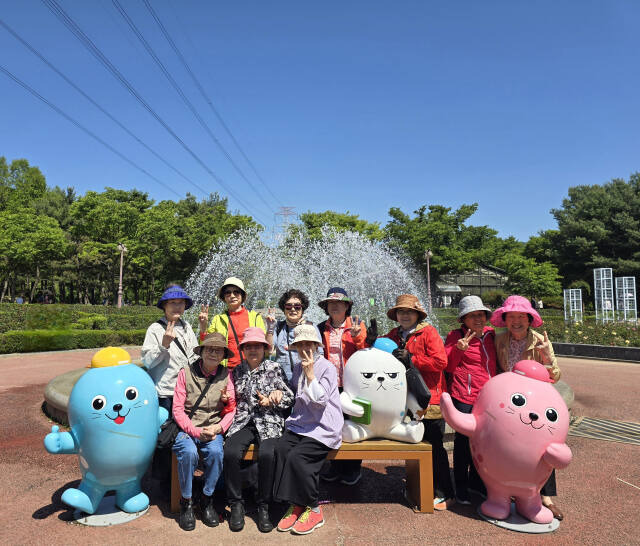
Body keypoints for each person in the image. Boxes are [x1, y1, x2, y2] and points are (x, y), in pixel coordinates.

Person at [491, 295, 563, 520]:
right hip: (510, 401)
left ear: (529, 319)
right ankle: (509, 489)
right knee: (509, 448)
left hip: (535, 400)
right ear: (505, 320)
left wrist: (545, 355)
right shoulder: (499, 339)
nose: (516, 321)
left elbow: (556, 375)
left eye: (521, 316)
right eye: (511, 317)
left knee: (543, 448)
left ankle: (545, 498)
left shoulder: (540, 340)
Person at [382, 294, 454, 510]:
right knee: (414, 445)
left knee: (433, 446)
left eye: (409, 312)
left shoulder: (428, 332)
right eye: (401, 312)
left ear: (417, 314)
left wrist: (412, 359)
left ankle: (444, 492)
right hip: (404, 399)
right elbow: (380, 351)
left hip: (428, 398)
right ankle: (418, 488)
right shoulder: (394, 334)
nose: (404, 315)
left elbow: (441, 361)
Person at [273, 324, 343, 535]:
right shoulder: (296, 368)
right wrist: (277, 392)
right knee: (281, 449)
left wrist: (311, 374)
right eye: (300, 344)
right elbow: (293, 393)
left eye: (308, 344)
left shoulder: (327, 367)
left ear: (316, 345)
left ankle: (313, 508)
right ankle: (296, 504)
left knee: (298, 457)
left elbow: (320, 401)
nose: (304, 348)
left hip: (323, 426)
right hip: (302, 423)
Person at [224, 327, 294, 533]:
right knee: (230, 451)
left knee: (267, 454)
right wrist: (225, 400)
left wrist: (277, 397)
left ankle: (264, 505)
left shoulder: (274, 367)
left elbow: (290, 397)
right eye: (249, 346)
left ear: (264, 348)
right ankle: (236, 503)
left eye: (257, 346)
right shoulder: (236, 370)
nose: (253, 350)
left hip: (269, 420)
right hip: (244, 421)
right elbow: (232, 399)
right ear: (243, 349)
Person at [172, 333, 236, 531]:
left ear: (223, 355)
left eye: (218, 350)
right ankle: (187, 501)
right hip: (188, 427)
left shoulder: (226, 374)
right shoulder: (186, 372)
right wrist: (195, 431)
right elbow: (177, 409)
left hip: (212, 427)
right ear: (202, 352)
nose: (213, 353)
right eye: (210, 349)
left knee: (217, 453)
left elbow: (232, 408)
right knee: (189, 453)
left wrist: (219, 427)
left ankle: (207, 499)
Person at [444, 295, 496, 504]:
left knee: (484, 442)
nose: (478, 319)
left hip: (488, 397)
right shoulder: (455, 336)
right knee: (463, 441)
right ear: (463, 319)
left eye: (481, 315)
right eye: (472, 315)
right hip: (464, 395)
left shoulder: (492, 336)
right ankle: (461, 485)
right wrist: (458, 349)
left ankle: (478, 482)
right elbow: (446, 365)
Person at [316, 287, 366, 485]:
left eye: (339, 303)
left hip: (353, 385)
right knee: (333, 425)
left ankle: (353, 469)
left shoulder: (357, 325)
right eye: (331, 303)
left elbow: (366, 352)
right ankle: (336, 466)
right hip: (332, 385)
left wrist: (357, 337)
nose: (335, 306)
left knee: (353, 426)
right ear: (327, 307)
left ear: (347, 306)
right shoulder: (321, 328)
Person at [141, 284, 200, 413]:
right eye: (173, 302)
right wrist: (164, 345)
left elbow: (194, 355)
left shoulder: (187, 327)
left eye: (181, 303)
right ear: (164, 305)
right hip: (166, 392)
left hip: (186, 390)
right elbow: (147, 362)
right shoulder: (155, 329)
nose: (177, 306)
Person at [198, 277, 273, 369]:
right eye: (228, 293)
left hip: (252, 369)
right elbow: (207, 346)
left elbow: (266, 346)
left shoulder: (255, 317)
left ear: (242, 295)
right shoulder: (218, 319)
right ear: (224, 297)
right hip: (227, 371)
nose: (232, 295)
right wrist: (203, 326)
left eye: (236, 292)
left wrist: (271, 328)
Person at [266, 289, 321, 384]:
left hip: (305, 379)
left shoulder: (311, 327)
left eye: (297, 306)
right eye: (288, 306)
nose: (292, 309)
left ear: (302, 309)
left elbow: (320, 354)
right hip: (282, 381)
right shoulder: (278, 326)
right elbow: (268, 351)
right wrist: (270, 328)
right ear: (284, 309)